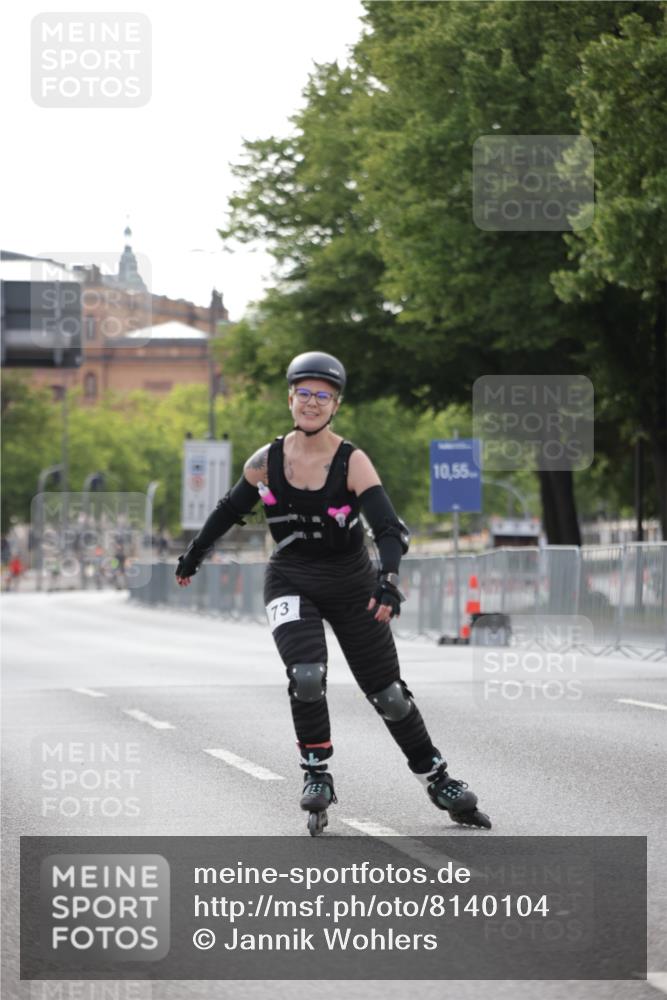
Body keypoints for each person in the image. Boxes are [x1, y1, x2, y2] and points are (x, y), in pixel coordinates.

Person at [175, 351, 491, 834]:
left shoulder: (351, 461)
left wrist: (388, 580)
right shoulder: (265, 461)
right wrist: (194, 554)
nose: (312, 402)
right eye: (304, 393)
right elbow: (227, 508)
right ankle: (316, 773)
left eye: (323, 395)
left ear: (336, 405)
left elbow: (388, 528)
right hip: (290, 578)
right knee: (305, 674)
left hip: (352, 583)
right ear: (290, 398)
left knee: (388, 695)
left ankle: (437, 777)